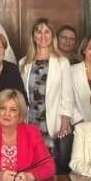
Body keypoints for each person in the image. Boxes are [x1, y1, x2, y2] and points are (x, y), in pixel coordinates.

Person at [18, 18, 74, 156]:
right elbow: (21, 98)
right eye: (38, 31)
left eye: (47, 32)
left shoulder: (62, 62)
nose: (42, 36)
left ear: (52, 36)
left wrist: (63, 127)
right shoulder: (23, 63)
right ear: (33, 36)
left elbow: (67, 98)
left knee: (52, 165)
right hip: (30, 124)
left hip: (53, 126)